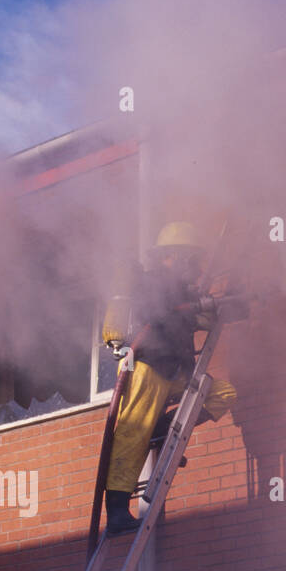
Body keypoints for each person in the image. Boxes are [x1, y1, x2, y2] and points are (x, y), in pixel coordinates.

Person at [100, 222, 239, 534]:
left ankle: (161, 428)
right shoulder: (153, 282)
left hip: (177, 371)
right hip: (149, 366)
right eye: (192, 260)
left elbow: (198, 315)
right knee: (132, 433)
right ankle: (118, 511)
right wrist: (198, 306)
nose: (195, 268)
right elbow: (168, 310)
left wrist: (225, 306)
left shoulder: (182, 290)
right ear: (175, 257)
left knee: (223, 392)